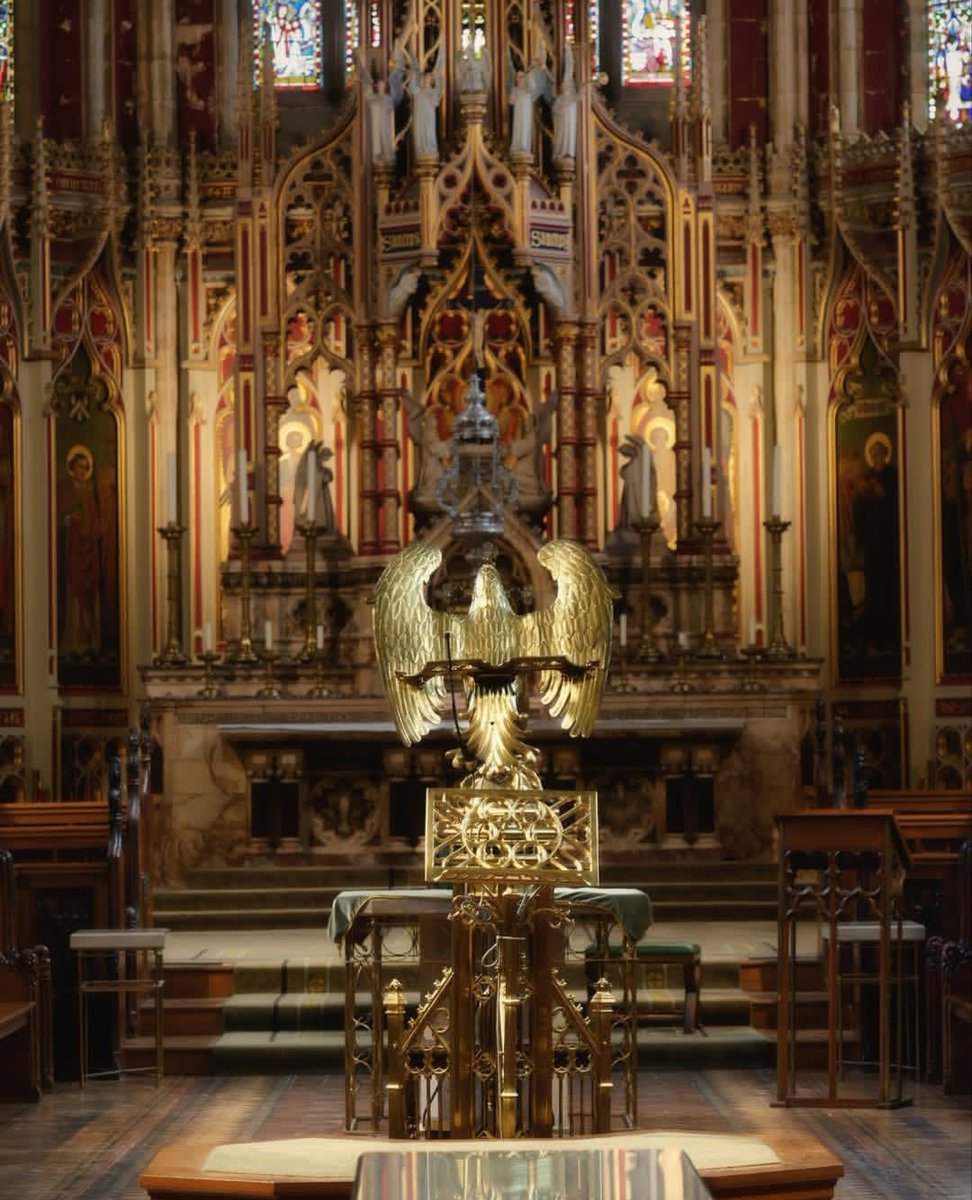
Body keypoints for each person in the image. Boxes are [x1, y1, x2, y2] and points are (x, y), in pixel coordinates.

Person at [406, 53, 442, 158]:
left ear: (431, 80)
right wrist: (412, 76)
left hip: (429, 117)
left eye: (429, 78)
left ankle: (430, 148)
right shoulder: (418, 91)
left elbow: (436, 102)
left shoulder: (433, 92)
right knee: (420, 133)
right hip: (420, 117)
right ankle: (421, 149)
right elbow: (412, 88)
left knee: (429, 132)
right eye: (425, 77)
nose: (426, 79)